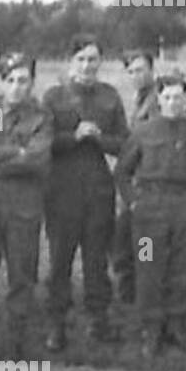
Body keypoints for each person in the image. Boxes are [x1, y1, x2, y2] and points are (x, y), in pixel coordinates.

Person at [43, 34, 130, 350]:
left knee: (96, 260)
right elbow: (44, 143)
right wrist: (74, 136)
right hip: (62, 188)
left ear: (100, 62)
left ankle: (99, 320)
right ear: (71, 62)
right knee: (60, 260)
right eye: (81, 59)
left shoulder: (110, 96)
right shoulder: (54, 97)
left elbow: (126, 144)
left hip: (97, 188)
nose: (87, 65)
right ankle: (56, 323)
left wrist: (99, 138)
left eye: (93, 59)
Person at [113, 73, 186, 360]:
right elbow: (122, 172)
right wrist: (134, 203)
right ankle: (151, 327)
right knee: (148, 266)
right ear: (158, 99)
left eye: (178, 97)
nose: (173, 103)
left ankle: (177, 323)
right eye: (167, 97)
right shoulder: (143, 132)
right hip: (149, 210)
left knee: (185, 266)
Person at [0, 53, 52, 360]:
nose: (16, 87)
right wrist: (15, 152)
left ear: (32, 82)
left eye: (23, 80)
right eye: (10, 80)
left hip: (25, 203)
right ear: (2, 81)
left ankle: (13, 344)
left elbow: (37, 160)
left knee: (22, 276)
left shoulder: (41, 116)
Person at [111, 49, 160, 305]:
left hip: (149, 183)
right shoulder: (137, 99)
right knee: (124, 240)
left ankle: (139, 293)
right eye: (130, 71)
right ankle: (128, 290)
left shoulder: (157, 100)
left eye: (140, 70)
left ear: (152, 69)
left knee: (144, 244)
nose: (136, 76)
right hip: (132, 180)